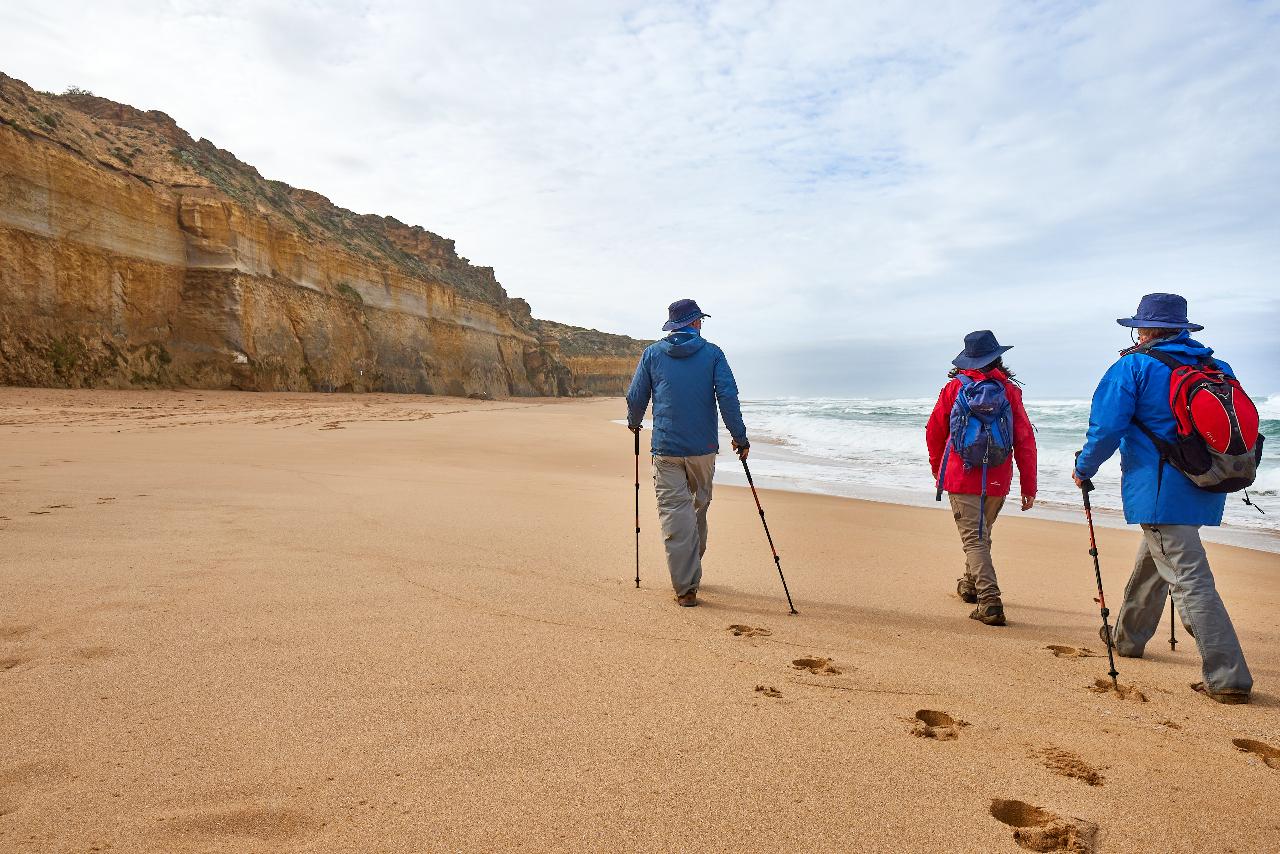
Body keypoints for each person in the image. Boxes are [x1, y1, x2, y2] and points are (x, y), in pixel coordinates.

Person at [1073, 293, 1253, 704]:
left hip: (1158, 488)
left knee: (1189, 577)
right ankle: (1128, 638)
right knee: (1158, 557)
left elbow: (1105, 429)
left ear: (1143, 329)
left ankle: (1229, 678)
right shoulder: (1215, 367)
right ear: (1183, 328)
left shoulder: (1133, 366)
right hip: (1207, 481)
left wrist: (1084, 468)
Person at [626, 298, 749, 607]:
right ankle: (690, 576)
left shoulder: (653, 354)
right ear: (694, 323)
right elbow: (728, 397)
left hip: (666, 448)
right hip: (703, 450)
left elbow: (636, 395)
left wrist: (634, 422)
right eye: (700, 321)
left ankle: (686, 586)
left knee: (673, 514)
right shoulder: (712, 354)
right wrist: (740, 438)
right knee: (698, 509)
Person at [927, 331, 1037, 627]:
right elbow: (1025, 439)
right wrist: (1029, 485)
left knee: (975, 538)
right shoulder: (1010, 391)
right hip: (998, 476)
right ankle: (970, 584)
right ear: (997, 357)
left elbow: (934, 431)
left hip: (960, 475)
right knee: (981, 533)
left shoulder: (953, 389)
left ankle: (990, 601)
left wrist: (938, 467)